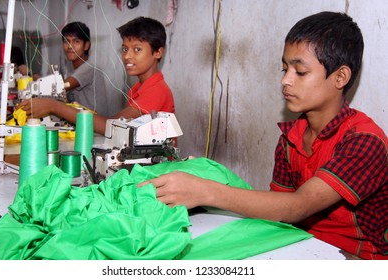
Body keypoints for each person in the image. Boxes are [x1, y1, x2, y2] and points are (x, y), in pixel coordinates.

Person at [139, 12, 388, 260]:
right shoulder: (291, 138)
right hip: (300, 244)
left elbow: (297, 206)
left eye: (300, 72)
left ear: (340, 77)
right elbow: (279, 204)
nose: (285, 81)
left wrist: (206, 191)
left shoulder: (364, 141)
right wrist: (208, 178)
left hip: (358, 258)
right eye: (284, 68)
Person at [17, 17, 174, 135]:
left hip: (155, 170)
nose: (127, 56)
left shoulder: (156, 91)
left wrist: (54, 106)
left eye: (137, 49)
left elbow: (111, 126)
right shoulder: (139, 87)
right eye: (125, 49)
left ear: (158, 52)